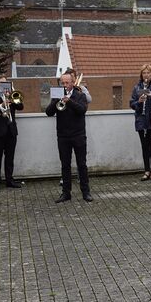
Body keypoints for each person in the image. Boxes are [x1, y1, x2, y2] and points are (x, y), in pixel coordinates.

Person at [46, 72, 92, 203]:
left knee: (82, 164)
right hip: (63, 135)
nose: (65, 85)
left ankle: (86, 192)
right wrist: (55, 100)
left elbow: (82, 110)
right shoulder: (57, 95)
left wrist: (69, 101)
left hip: (78, 135)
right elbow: (48, 112)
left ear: (73, 83)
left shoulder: (80, 95)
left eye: (67, 83)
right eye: (62, 83)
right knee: (65, 165)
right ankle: (66, 193)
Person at [0, 76, 24, 191]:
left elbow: (21, 107)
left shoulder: (12, 94)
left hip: (11, 131)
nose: (3, 85)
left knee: (10, 158)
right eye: (1, 83)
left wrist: (13, 98)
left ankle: (9, 180)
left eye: (5, 83)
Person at [130, 64, 151, 181]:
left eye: (148, 73)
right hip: (141, 121)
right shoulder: (137, 87)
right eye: (144, 73)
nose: (146, 75)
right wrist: (139, 101)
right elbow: (131, 104)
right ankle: (146, 170)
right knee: (144, 147)